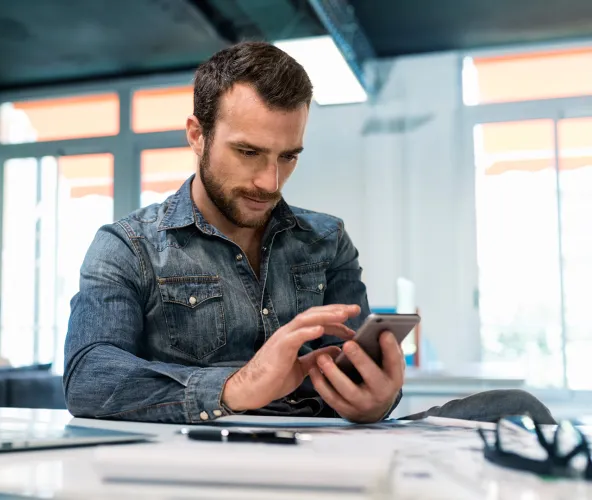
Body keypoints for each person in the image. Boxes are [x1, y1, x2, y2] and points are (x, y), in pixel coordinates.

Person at [63, 41, 555, 425]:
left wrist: (377, 400)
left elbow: (362, 372)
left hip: (325, 446)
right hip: (208, 449)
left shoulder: (327, 240)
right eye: (249, 152)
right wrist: (237, 386)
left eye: (288, 156)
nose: (270, 182)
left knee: (515, 407)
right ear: (197, 135)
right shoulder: (127, 246)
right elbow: (88, 379)